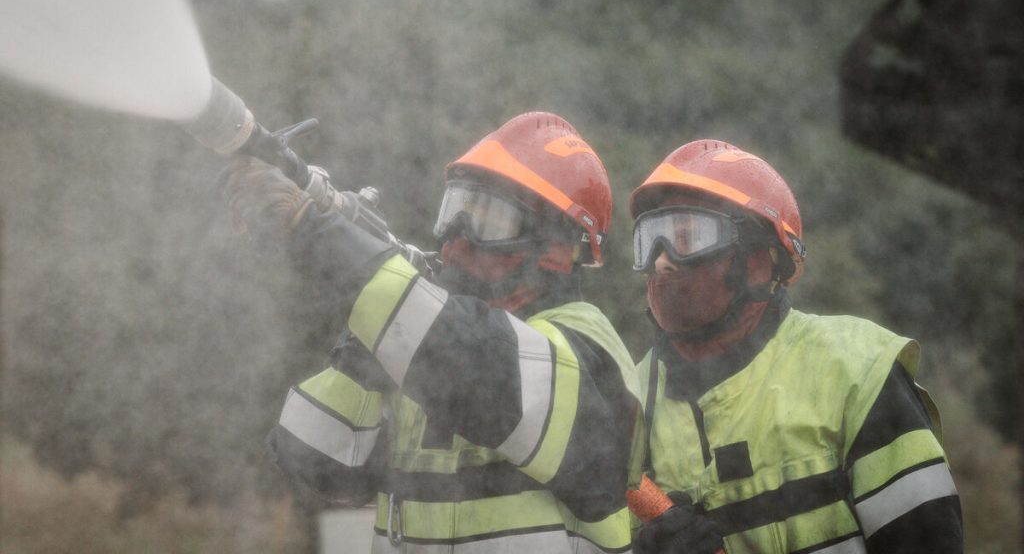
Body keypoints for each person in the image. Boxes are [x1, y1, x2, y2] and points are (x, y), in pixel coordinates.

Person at [221, 112, 644, 553]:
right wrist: (370, 342)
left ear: (557, 252)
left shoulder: (587, 349)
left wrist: (318, 235)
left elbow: (481, 367)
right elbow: (315, 459)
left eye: (489, 221)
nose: (453, 243)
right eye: (455, 212)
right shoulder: (426, 346)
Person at [628, 139, 963, 553]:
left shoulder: (856, 372)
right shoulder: (625, 403)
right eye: (651, 239)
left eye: (689, 235)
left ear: (762, 259)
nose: (663, 260)